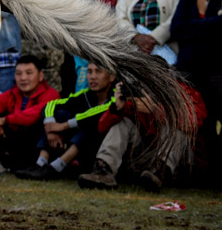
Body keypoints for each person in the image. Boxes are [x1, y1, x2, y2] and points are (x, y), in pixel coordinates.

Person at [77, 79, 206, 192]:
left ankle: (159, 171)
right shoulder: (139, 91)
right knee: (123, 123)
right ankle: (104, 170)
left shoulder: (183, 91)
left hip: (180, 162)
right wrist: (117, 109)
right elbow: (102, 128)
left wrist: (156, 110)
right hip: (145, 160)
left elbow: (194, 122)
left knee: (176, 130)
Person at [170, 0, 222, 184]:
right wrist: (209, 27)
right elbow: (176, 29)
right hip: (190, 69)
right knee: (201, 121)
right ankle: (206, 172)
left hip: (218, 69)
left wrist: (195, 28)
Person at [15, 61, 115, 180]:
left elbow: (98, 113)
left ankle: (56, 168)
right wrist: (50, 127)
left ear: (111, 76)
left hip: (98, 152)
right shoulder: (86, 95)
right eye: (89, 72)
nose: (92, 76)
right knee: (60, 114)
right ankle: (41, 164)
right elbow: (52, 104)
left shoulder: (116, 96)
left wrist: (64, 126)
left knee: (88, 125)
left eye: (98, 71)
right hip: (79, 149)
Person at [0, 55, 59, 174]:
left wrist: (3, 120)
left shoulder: (51, 94)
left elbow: (32, 116)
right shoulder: (12, 94)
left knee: (25, 127)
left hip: (33, 143)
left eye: (29, 73)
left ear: (41, 76)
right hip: (11, 139)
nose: (23, 78)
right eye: (18, 74)